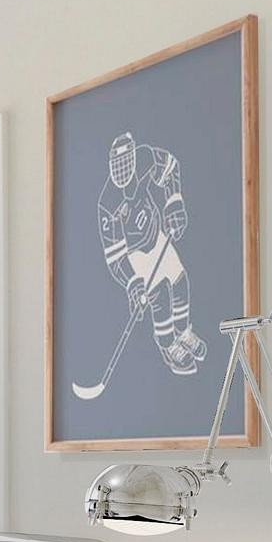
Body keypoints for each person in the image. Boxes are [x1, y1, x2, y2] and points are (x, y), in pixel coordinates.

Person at [97, 131, 207, 375]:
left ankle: (183, 332)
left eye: (127, 162)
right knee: (159, 295)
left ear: (134, 157)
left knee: (180, 281)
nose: (123, 170)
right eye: (118, 165)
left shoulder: (145, 157)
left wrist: (174, 203)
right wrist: (132, 282)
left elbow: (170, 168)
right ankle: (169, 345)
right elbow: (115, 257)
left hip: (156, 235)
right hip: (134, 254)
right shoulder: (108, 203)